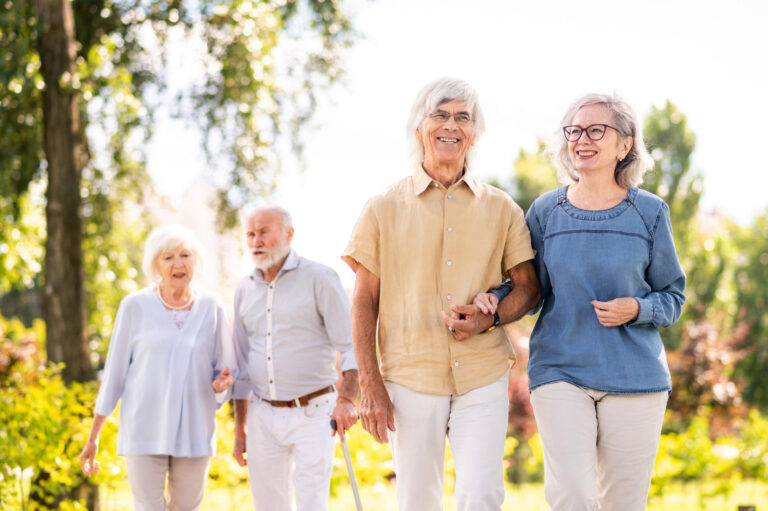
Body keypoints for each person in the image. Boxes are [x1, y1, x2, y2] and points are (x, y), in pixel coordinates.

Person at [478, 93, 686, 510]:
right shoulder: (545, 212)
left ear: (624, 145)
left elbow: (673, 297)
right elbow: (528, 285)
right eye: (573, 130)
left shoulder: (649, 213)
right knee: (571, 494)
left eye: (596, 130)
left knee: (623, 502)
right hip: (560, 369)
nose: (581, 139)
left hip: (635, 377)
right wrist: (493, 297)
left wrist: (638, 308)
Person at [342, 77, 540, 511]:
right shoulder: (382, 207)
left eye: (463, 117)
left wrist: (490, 316)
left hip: (481, 372)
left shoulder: (502, 208)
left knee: (483, 493)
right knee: (417, 500)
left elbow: (528, 287)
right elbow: (363, 302)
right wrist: (370, 384)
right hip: (409, 373)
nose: (451, 125)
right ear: (420, 129)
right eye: (440, 114)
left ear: (474, 133)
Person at [79, 224, 235, 511]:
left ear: (196, 262)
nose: (179, 263)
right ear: (155, 265)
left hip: (194, 430)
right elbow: (113, 375)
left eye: (185, 255)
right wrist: (94, 437)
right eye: (168, 257)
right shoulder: (134, 306)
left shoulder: (212, 307)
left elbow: (225, 369)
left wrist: (222, 384)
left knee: (186, 507)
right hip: (144, 428)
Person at [231, 205, 359, 511]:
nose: (255, 241)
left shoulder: (320, 278)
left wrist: (347, 400)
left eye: (264, 232)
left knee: (311, 502)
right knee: (268, 505)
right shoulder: (244, 290)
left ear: (288, 234)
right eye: (250, 234)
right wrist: (240, 429)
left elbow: (351, 346)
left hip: (314, 412)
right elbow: (241, 364)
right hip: (263, 414)